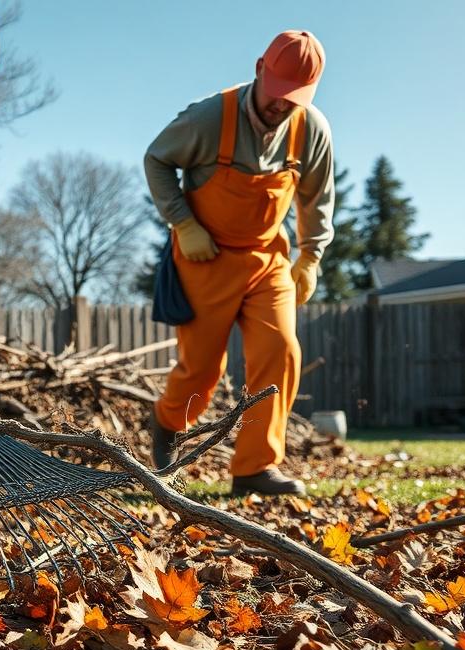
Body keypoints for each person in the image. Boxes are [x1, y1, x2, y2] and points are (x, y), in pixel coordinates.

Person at [144, 30, 334, 496]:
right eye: (277, 93)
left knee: (281, 350)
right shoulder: (210, 118)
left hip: (268, 259)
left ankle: (254, 468)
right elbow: (156, 159)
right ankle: (167, 423)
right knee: (201, 370)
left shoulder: (311, 130)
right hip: (205, 256)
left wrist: (310, 257)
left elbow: (317, 201)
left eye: (295, 98)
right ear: (259, 70)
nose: (281, 105)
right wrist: (183, 224)